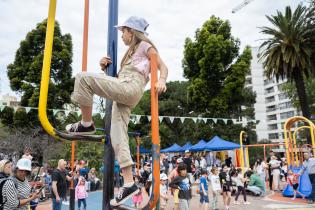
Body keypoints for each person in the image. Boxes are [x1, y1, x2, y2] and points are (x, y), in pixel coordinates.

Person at [66, 16, 168, 206]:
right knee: (117, 134)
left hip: (131, 86)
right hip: (125, 90)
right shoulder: (129, 54)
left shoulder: (144, 45)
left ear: (132, 31)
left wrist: (161, 80)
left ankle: (86, 124)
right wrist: (105, 69)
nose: (121, 35)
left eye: (123, 31)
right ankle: (129, 183)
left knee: (82, 78)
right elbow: (114, 83)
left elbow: (162, 66)